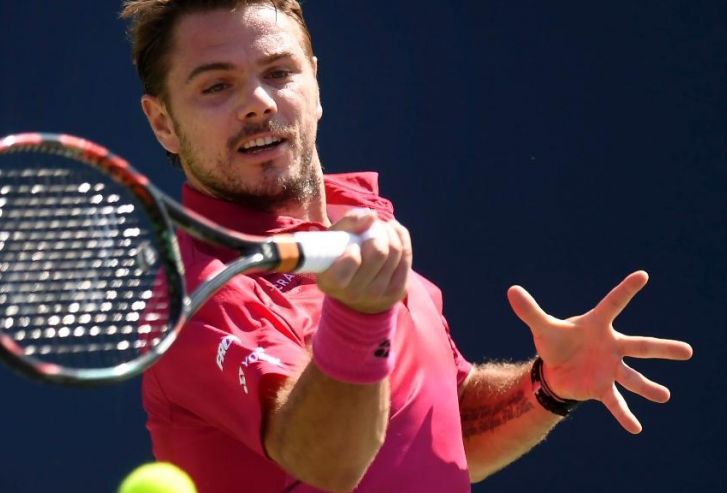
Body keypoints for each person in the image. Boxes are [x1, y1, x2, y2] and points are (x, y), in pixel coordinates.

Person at [120, 1, 694, 492]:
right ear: (163, 123)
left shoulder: (360, 227)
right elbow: (328, 461)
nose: (258, 102)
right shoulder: (198, 301)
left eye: (278, 72)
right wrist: (360, 316)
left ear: (316, 84)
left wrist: (545, 386)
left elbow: (439, 430)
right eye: (217, 85)